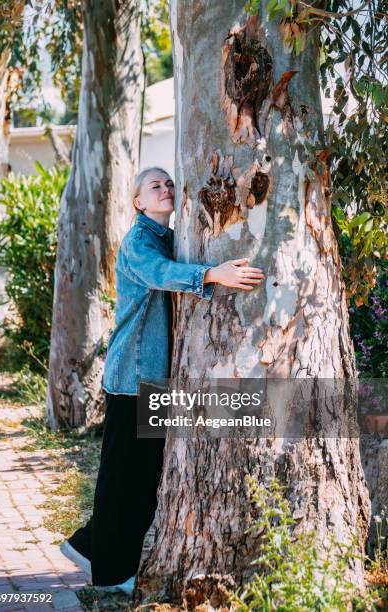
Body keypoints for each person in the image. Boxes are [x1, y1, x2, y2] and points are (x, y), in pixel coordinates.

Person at [59, 167, 265, 593]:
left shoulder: (171, 238)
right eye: (155, 185)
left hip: (152, 378)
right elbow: (159, 273)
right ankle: (112, 573)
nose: (166, 188)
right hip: (133, 377)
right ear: (138, 202)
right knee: (124, 477)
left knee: (143, 476)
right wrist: (213, 274)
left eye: (169, 183)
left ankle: (88, 545)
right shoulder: (139, 242)